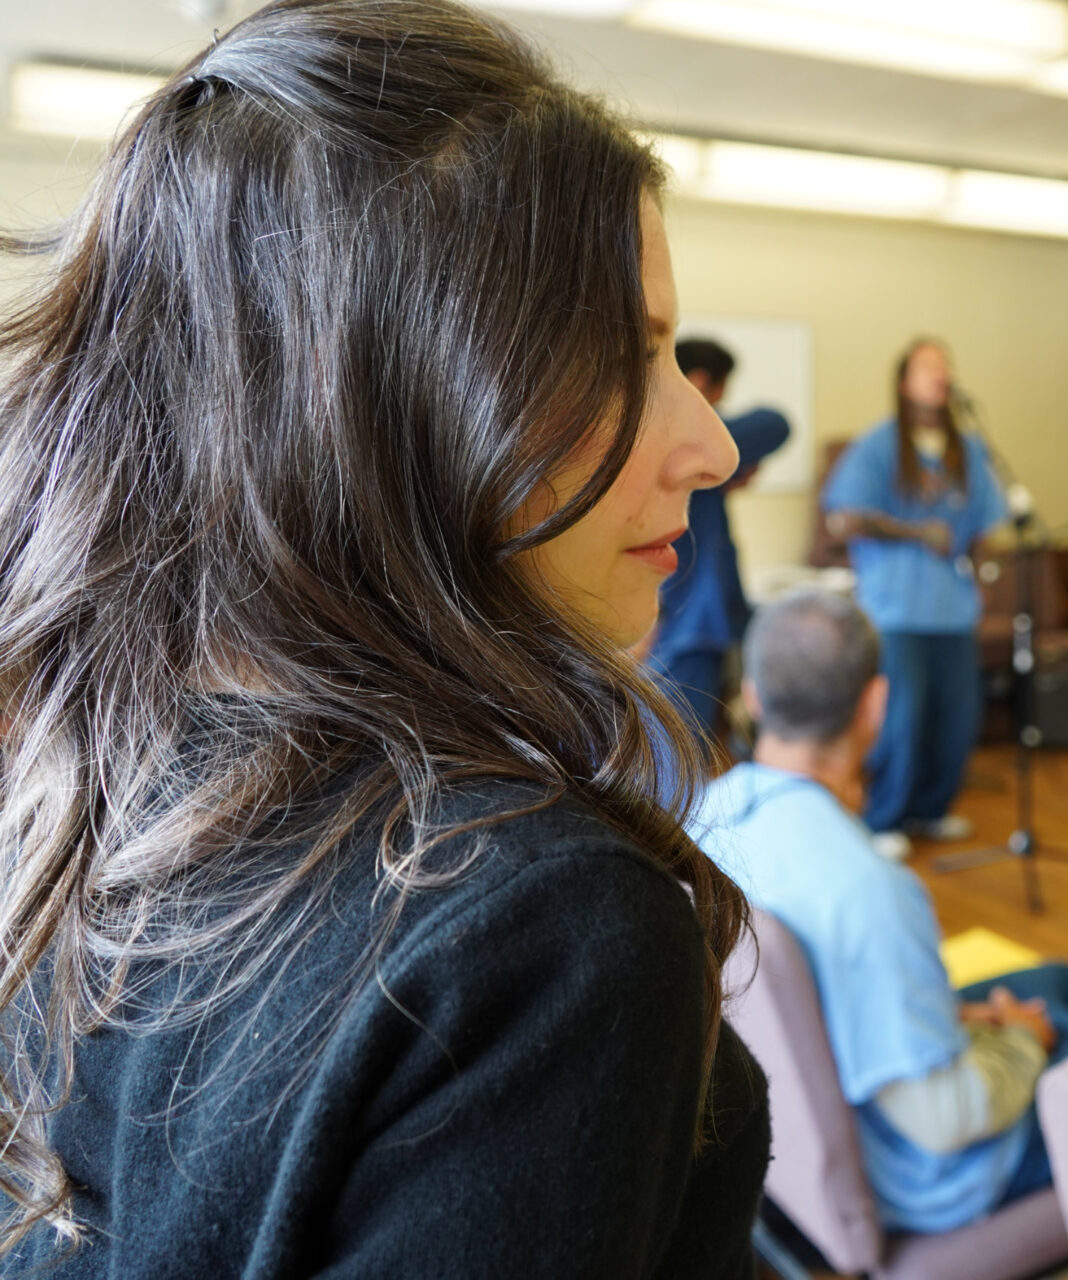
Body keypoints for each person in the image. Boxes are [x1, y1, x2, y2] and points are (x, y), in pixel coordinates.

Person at [0, 2, 769, 1274]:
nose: (713, 444)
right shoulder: (537, 936)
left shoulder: (78, 777)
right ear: (386, 398)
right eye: (620, 357)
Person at [693, 589, 1068, 1233]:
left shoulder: (706, 819)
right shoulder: (867, 888)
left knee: (1059, 984)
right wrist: (1023, 1042)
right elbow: (943, 1121)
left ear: (751, 697)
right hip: (928, 1176)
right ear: (876, 706)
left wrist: (972, 1018)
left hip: (797, 1128)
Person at [821, 340, 1008, 858]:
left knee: (957, 715)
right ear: (904, 382)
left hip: (953, 609)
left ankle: (931, 809)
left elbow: (984, 527)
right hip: (897, 608)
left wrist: (984, 575)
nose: (940, 374)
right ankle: (885, 818)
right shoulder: (879, 447)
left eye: (946, 365)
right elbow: (846, 517)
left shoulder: (966, 450)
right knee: (902, 716)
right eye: (929, 366)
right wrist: (915, 532)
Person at [647, 337, 792, 737]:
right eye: (718, 398)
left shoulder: (669, 448)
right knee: (677, 758)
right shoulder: (682, 440)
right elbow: (776, 422)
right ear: (698, 383)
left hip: (694, 616)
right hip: (690, 623)